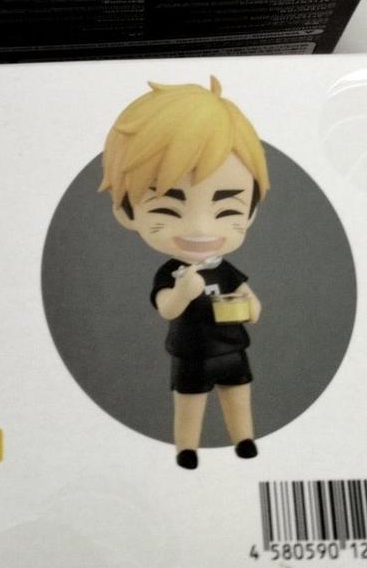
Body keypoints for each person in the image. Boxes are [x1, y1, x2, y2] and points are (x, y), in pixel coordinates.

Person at [101, 77, 269, 467]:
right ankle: (187, 448)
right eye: (167, 209)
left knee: (238, 395)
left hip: (232, 348)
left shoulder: (226, 269)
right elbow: (167, 309)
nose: (199, 228)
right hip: (191, 353)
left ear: (250, 212)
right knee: (189, 402)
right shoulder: (171, 272)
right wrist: (183, 292)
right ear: (127, 212)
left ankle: (244, 439)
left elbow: (253, 305)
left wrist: (250, 307)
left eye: (227, 210)